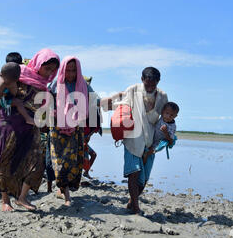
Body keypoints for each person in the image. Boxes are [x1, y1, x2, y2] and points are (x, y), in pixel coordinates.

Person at [0, 48, 60, 212]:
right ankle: (5, 200)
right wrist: (10, 100)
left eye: (53, 70)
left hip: (31, 128)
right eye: (47, 68)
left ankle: (22, 197)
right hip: (10, 125)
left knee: (36, 163)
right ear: (39, 64)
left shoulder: (45, 87)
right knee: (7, 162)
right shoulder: (21, 73)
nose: (49, 73)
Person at [101, 67, 168, 215]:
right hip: (132, 138)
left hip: (150, 140)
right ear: (142, 79)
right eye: (147, 84)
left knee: (144, 179)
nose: (150, 87)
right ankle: (136, 207)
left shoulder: (162, 96)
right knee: (134, 172)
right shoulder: (132, 90)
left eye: (153, 85)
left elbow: (165, 118)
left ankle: (132, 201)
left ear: (158, 82)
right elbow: (121, 106)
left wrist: (168, 137)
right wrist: (107, 103)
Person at [48, 57, 88, 206]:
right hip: (58, 128)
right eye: (68, 70)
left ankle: (65, 190)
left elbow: (94, 101)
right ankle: (66, 197)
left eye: (73, 70)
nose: (70, 74)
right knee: (60, 161)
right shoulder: (55, 84)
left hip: (76, 127)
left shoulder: (83, 84)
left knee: (73, 161)